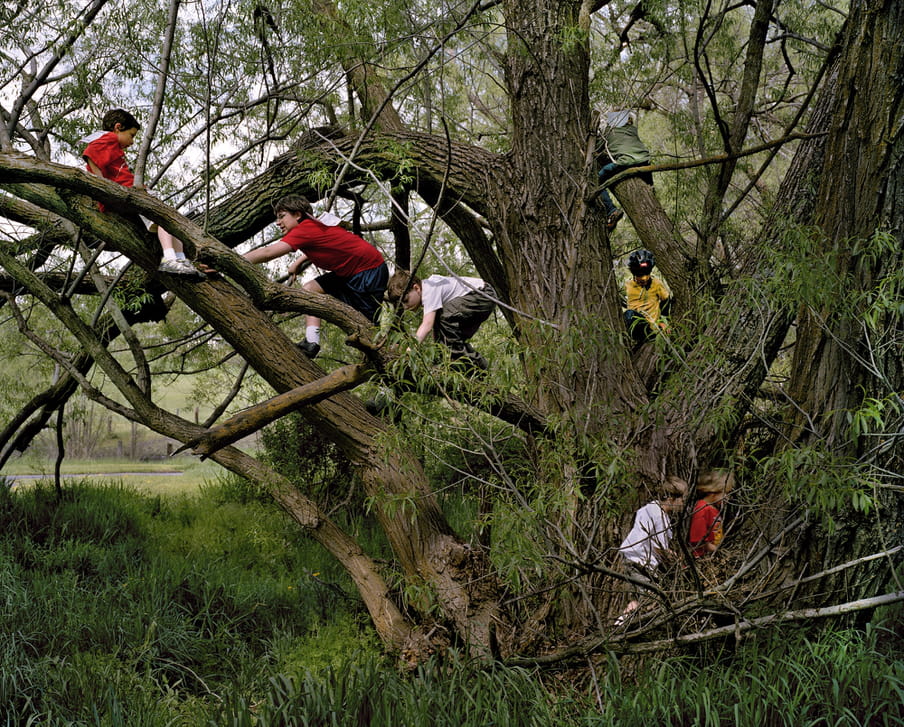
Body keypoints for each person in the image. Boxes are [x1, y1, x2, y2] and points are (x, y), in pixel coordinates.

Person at [244, 194, 388, 358]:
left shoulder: (303, 229)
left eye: (282, 216)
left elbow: (268, 252)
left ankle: (392, 357)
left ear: (298, 214)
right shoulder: (312, 226)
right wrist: (297, 262)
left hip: (368, 270)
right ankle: (312, 342)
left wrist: (233, 259)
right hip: (352, 272)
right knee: (310, 289)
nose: (278, 222)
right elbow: (325, 242)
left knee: (370, 330)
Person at [81, 109, 204, 278]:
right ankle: (170, 258)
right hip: (126, 194)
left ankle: (181, 260)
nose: (132, 142)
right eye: (131, 135)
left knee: (170, 219)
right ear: (118, 128)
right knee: (162, 217)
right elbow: (90, 154)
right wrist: (102, 186)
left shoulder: (111, 145)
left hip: (129, 193)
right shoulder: (108, 138)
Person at [386, 269, 496, 370]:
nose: (405, 307)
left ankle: (477, 365)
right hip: (478, 299)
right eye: (402, 304)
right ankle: (463, 365)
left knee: (445, 317)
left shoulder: (429, 289)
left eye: (406, 300)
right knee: (445, 335)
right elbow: (437, 331)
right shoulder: (430, 294)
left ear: (416, 288)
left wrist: (410, 351)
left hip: (483, 294)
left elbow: (427, 325)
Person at [615, 475, 687, 625]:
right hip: (638, 562)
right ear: (672, 498)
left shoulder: (657, 513)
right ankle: (622, 629)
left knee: (638, 599)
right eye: (682, 500)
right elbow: (654, 544)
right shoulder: (655, 513)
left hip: (639, 562)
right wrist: (671, 557)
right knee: (651, 597)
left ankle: (620, 627)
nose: (683, 504)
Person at [597, 110, 651, 231]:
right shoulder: (633, 130)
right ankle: (650, 188)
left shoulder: (608, 132)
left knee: (597, 180)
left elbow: (597, 149)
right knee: (648, 184)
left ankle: (611, 210)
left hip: (625, 163)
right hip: (645, 160)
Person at [624, 248, 671, 345]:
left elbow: (666, 300)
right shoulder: (628, 285)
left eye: (647, 274)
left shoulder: (656, 284)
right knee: (628, 315)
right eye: (640, 275)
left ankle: (648, 337)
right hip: (634, 322)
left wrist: (663, 321)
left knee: (629, 314)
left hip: (650, 327)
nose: (644, 278)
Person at [689, 470, 734, 557]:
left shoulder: (714, 509)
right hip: (701, 557)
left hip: (711, 555)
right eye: (725, 493)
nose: (727, 498)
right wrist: (719, 551)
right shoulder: (702, 509)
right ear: (713, 492)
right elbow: (698, 540)